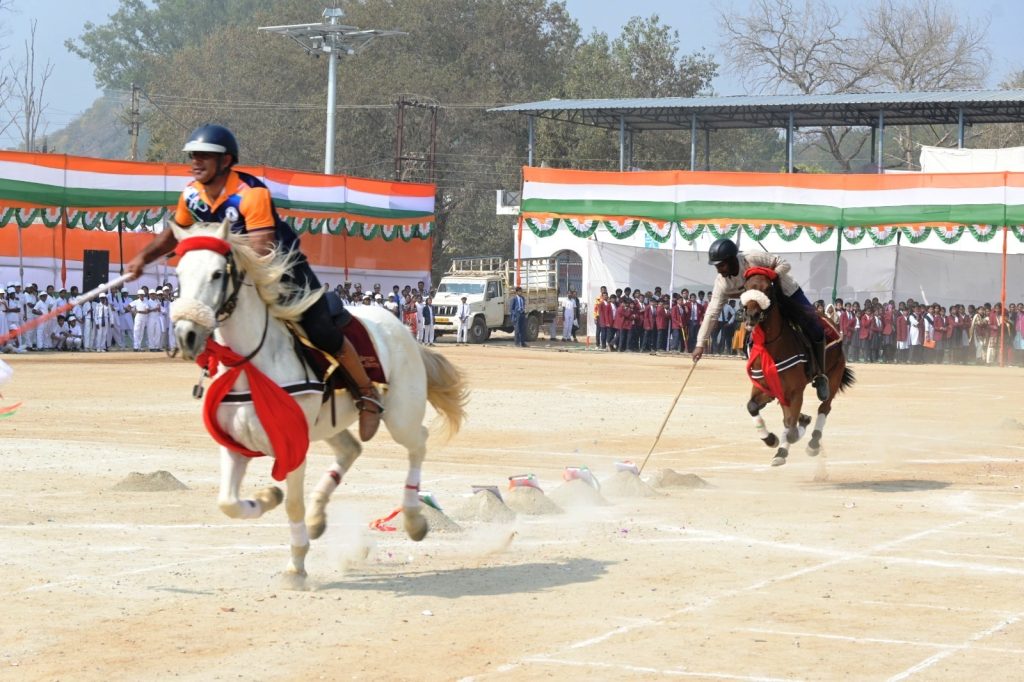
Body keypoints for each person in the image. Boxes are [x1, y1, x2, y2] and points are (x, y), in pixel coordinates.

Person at [124, 124, 382, 441]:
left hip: (282, 269)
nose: (196, 161)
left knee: (321, 331)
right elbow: (172, 234)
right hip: (232, 274)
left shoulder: (251, 194)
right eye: (193, 155)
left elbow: (262, 248)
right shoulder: (191, 194)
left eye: (205, 156)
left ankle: (367, 395)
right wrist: (142, 258)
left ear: (226, 160)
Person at [693, 238, 830, 401]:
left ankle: (820, 376)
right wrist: (700, 343)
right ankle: (764, 379)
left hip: (788, 293)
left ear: (731, 260)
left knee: (815, 326)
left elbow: (784, 263)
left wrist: (772, 275)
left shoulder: (752, 257)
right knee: (750, 339)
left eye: (721, 265)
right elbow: (712, 312)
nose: (719, 270)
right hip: (760, 308)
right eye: (716, 266)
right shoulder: (722, 283)